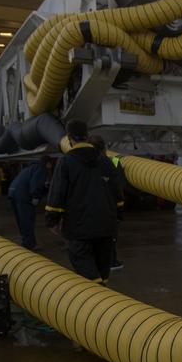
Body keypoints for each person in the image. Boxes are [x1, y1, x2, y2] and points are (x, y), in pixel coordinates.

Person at [45, 120, 124, 284]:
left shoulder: (66, 162)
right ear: (87, 136)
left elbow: (57, 193)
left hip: (79, 228)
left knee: (87, 271)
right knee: (103, 273)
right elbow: (117, 193)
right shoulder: (106, 161)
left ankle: (96, 302)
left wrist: (52, 219)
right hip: (106, 227)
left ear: (69, 138)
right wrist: (118, 216)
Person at [89, 134, 125, 271]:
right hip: (108, 206)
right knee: (110, 236)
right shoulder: (111, 161)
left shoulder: (83, 162)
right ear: (104, 147)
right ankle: (111, 262)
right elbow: (118, 183)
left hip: (90, 208)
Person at [7, 155, 50, 250]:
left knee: (21, 220)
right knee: (27, 220)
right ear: (48, 163)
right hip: (22, 195)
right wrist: (36, 196)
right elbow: (35, 183)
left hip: (13, 192)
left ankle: (26, 241)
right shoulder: (41, 168)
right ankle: (29, 244)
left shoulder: (29, 168)